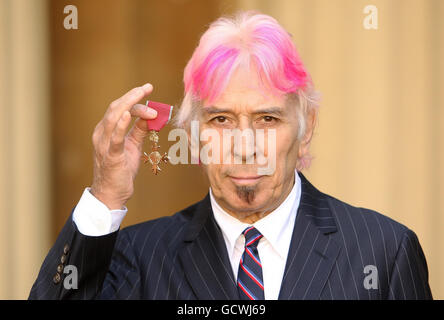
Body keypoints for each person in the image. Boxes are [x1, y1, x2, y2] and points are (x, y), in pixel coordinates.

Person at [29, 11, 432, 300]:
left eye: (268, 118)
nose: (244, 145)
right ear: (193, 132)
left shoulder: (384, 252)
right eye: (220, 119)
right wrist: (105, 196)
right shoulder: (141, 256)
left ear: (307, 128)